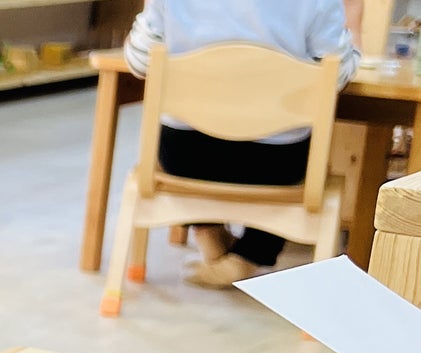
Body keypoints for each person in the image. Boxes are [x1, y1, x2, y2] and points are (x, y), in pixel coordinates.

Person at [124, 0, 364, 288]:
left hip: (185, 156)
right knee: (298, 158)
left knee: (191, 146)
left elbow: (139, 62)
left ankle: (207, 232)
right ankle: (250, 254)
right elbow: (336, 74)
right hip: (274, 164)